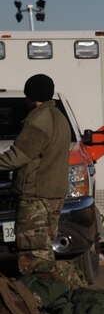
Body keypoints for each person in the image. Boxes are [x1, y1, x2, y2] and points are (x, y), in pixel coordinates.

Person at [0, 74, 86, 287]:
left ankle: (72, 287)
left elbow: (17, 156)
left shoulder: (38, 121)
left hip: (36, 198)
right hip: (53, 195)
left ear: (29, 97)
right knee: (43, 252)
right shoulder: (58, 118)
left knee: (33, 259)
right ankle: (66, 291)